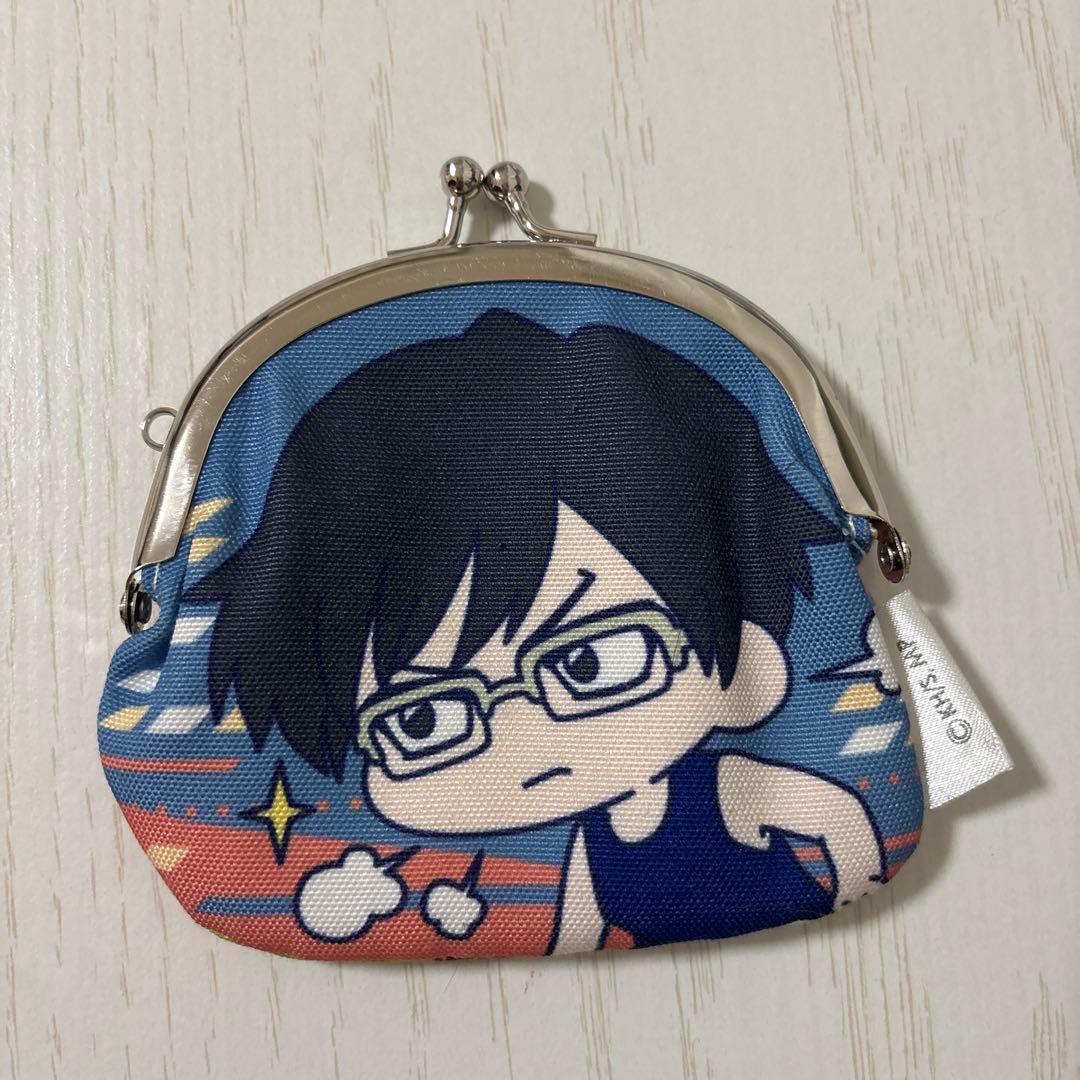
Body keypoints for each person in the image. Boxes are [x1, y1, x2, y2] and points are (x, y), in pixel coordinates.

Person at [189, 309, 885, 951]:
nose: (525, 734)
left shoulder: (724, 789)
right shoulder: (593, 840)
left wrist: (855, 880)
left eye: (591, 662)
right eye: (424, 719)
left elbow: (836, 818)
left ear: (747, 647)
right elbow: (577, 921)